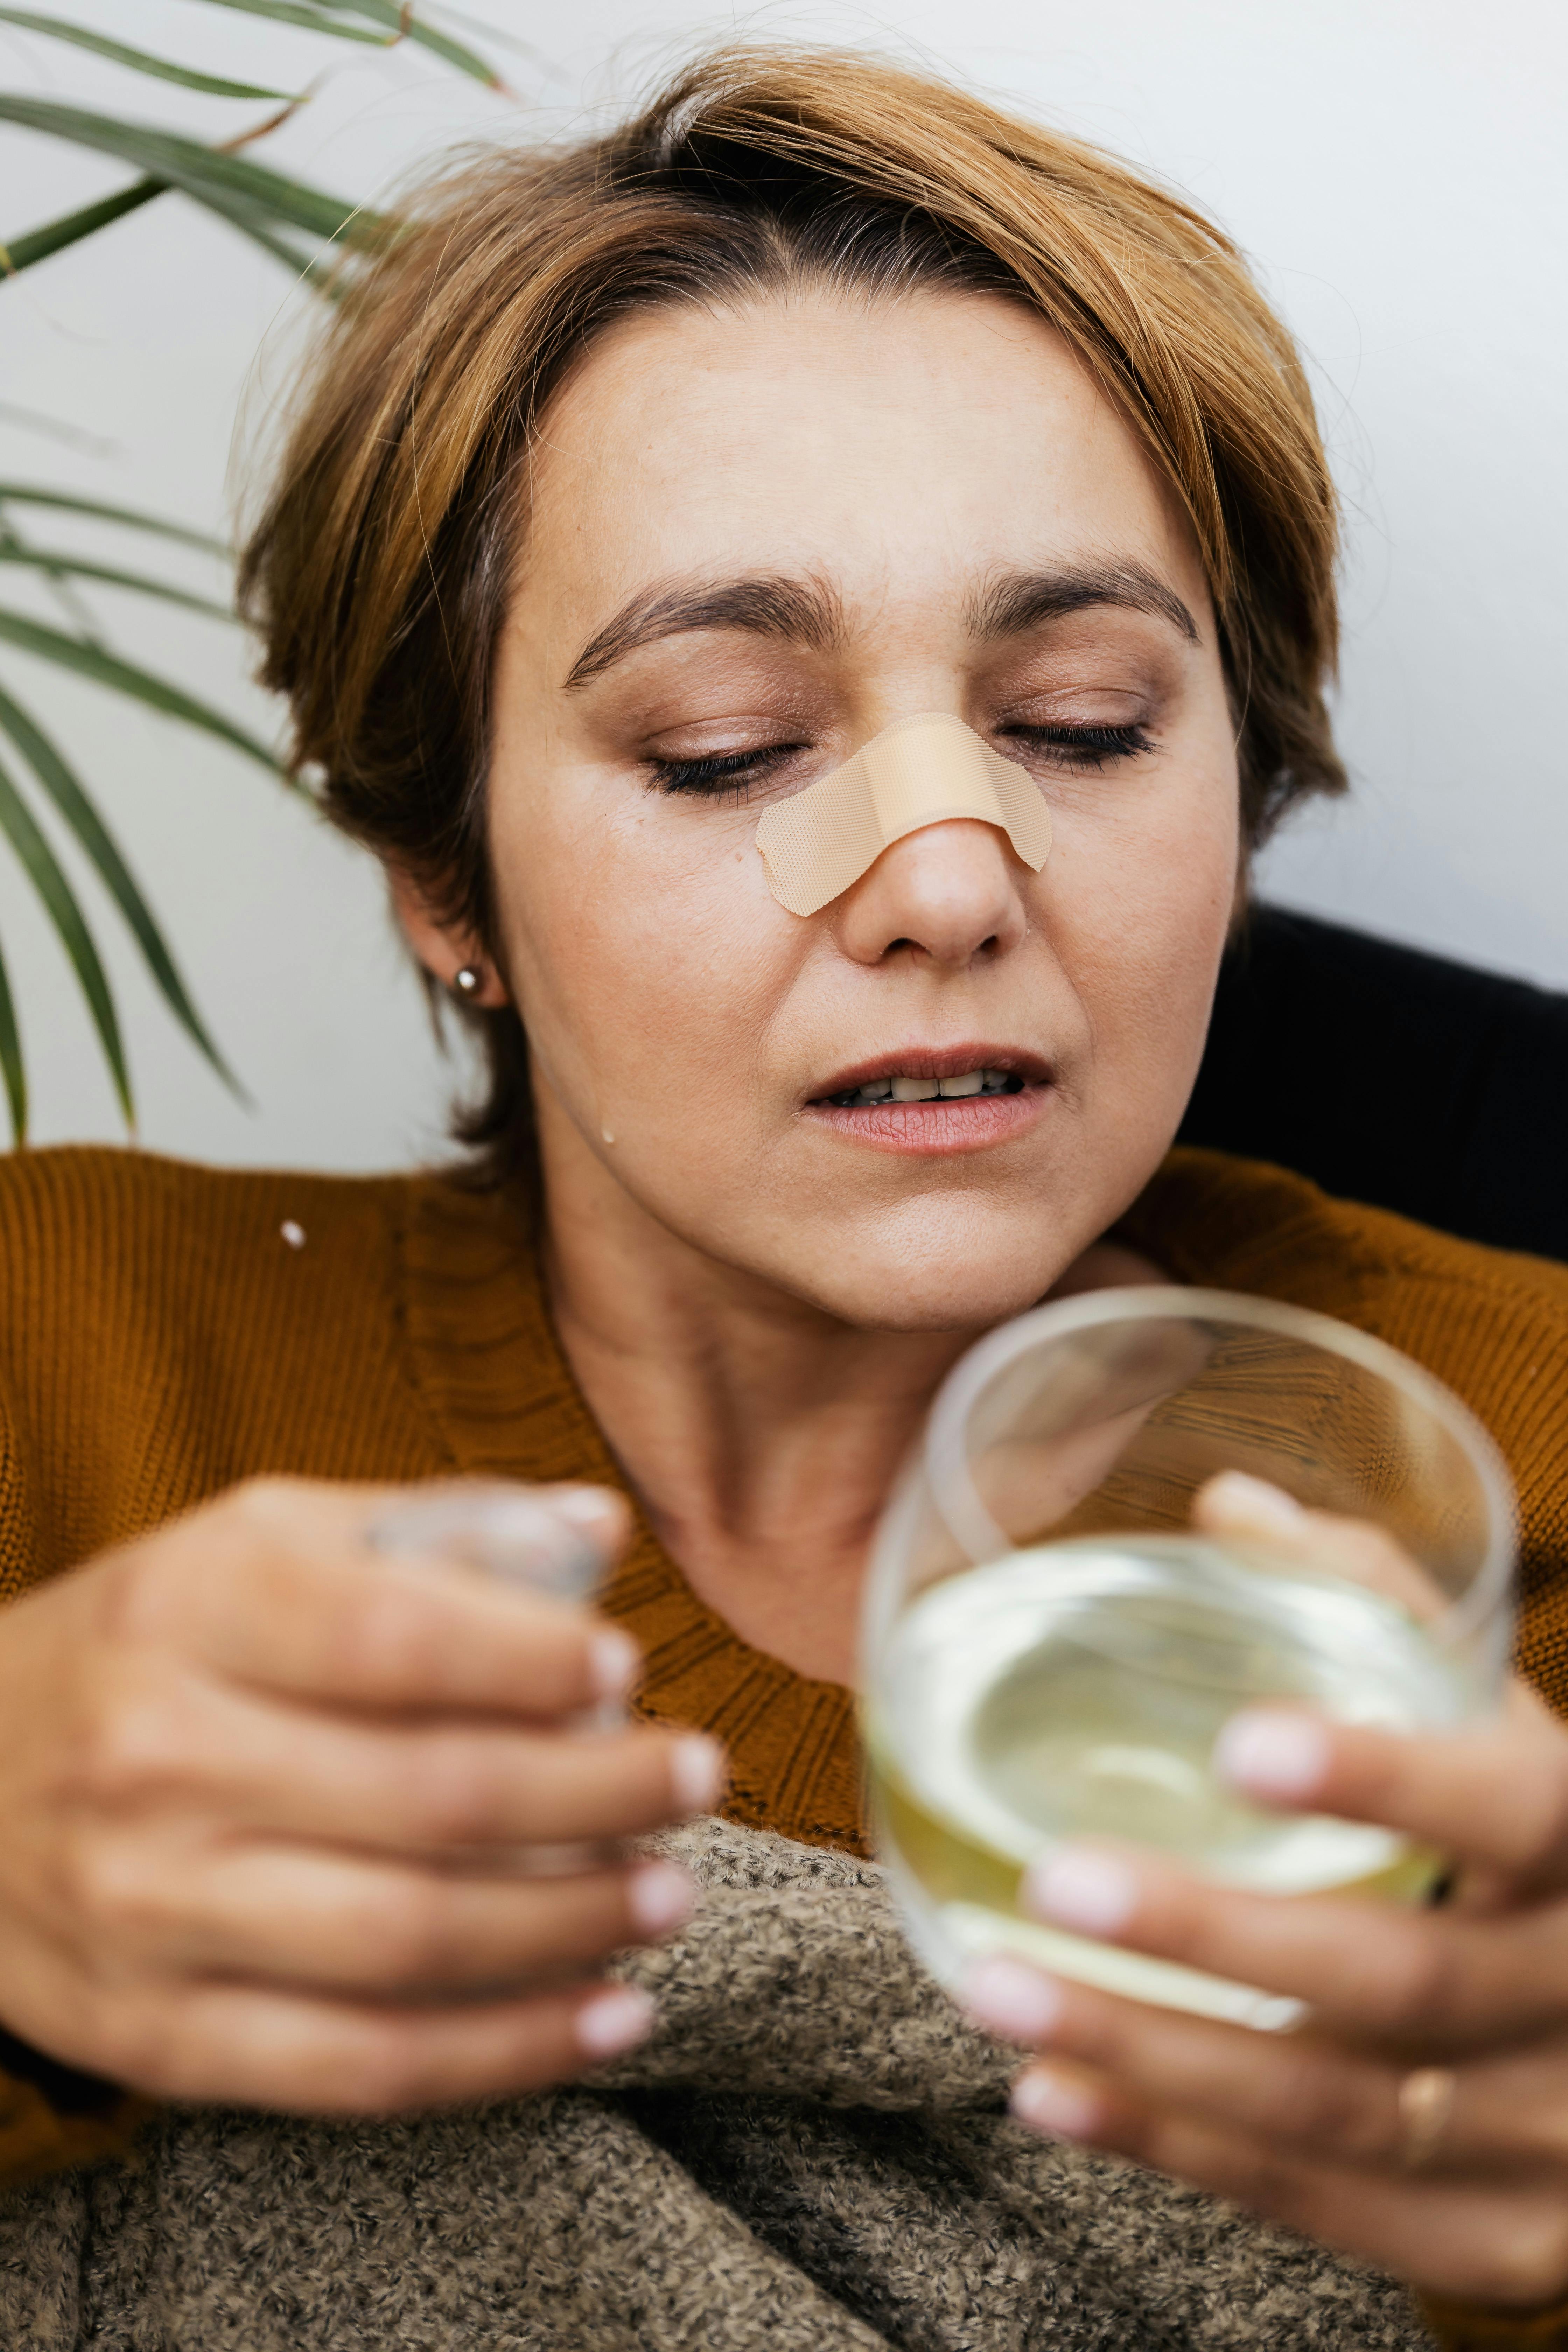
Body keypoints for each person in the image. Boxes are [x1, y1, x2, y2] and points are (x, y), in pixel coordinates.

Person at [1, 43, 1566, 2350]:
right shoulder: (63, 1384)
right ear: (444, 873)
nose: (944, 878)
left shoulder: (1512, 1507)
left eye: (1084, 725)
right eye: (728, 746)